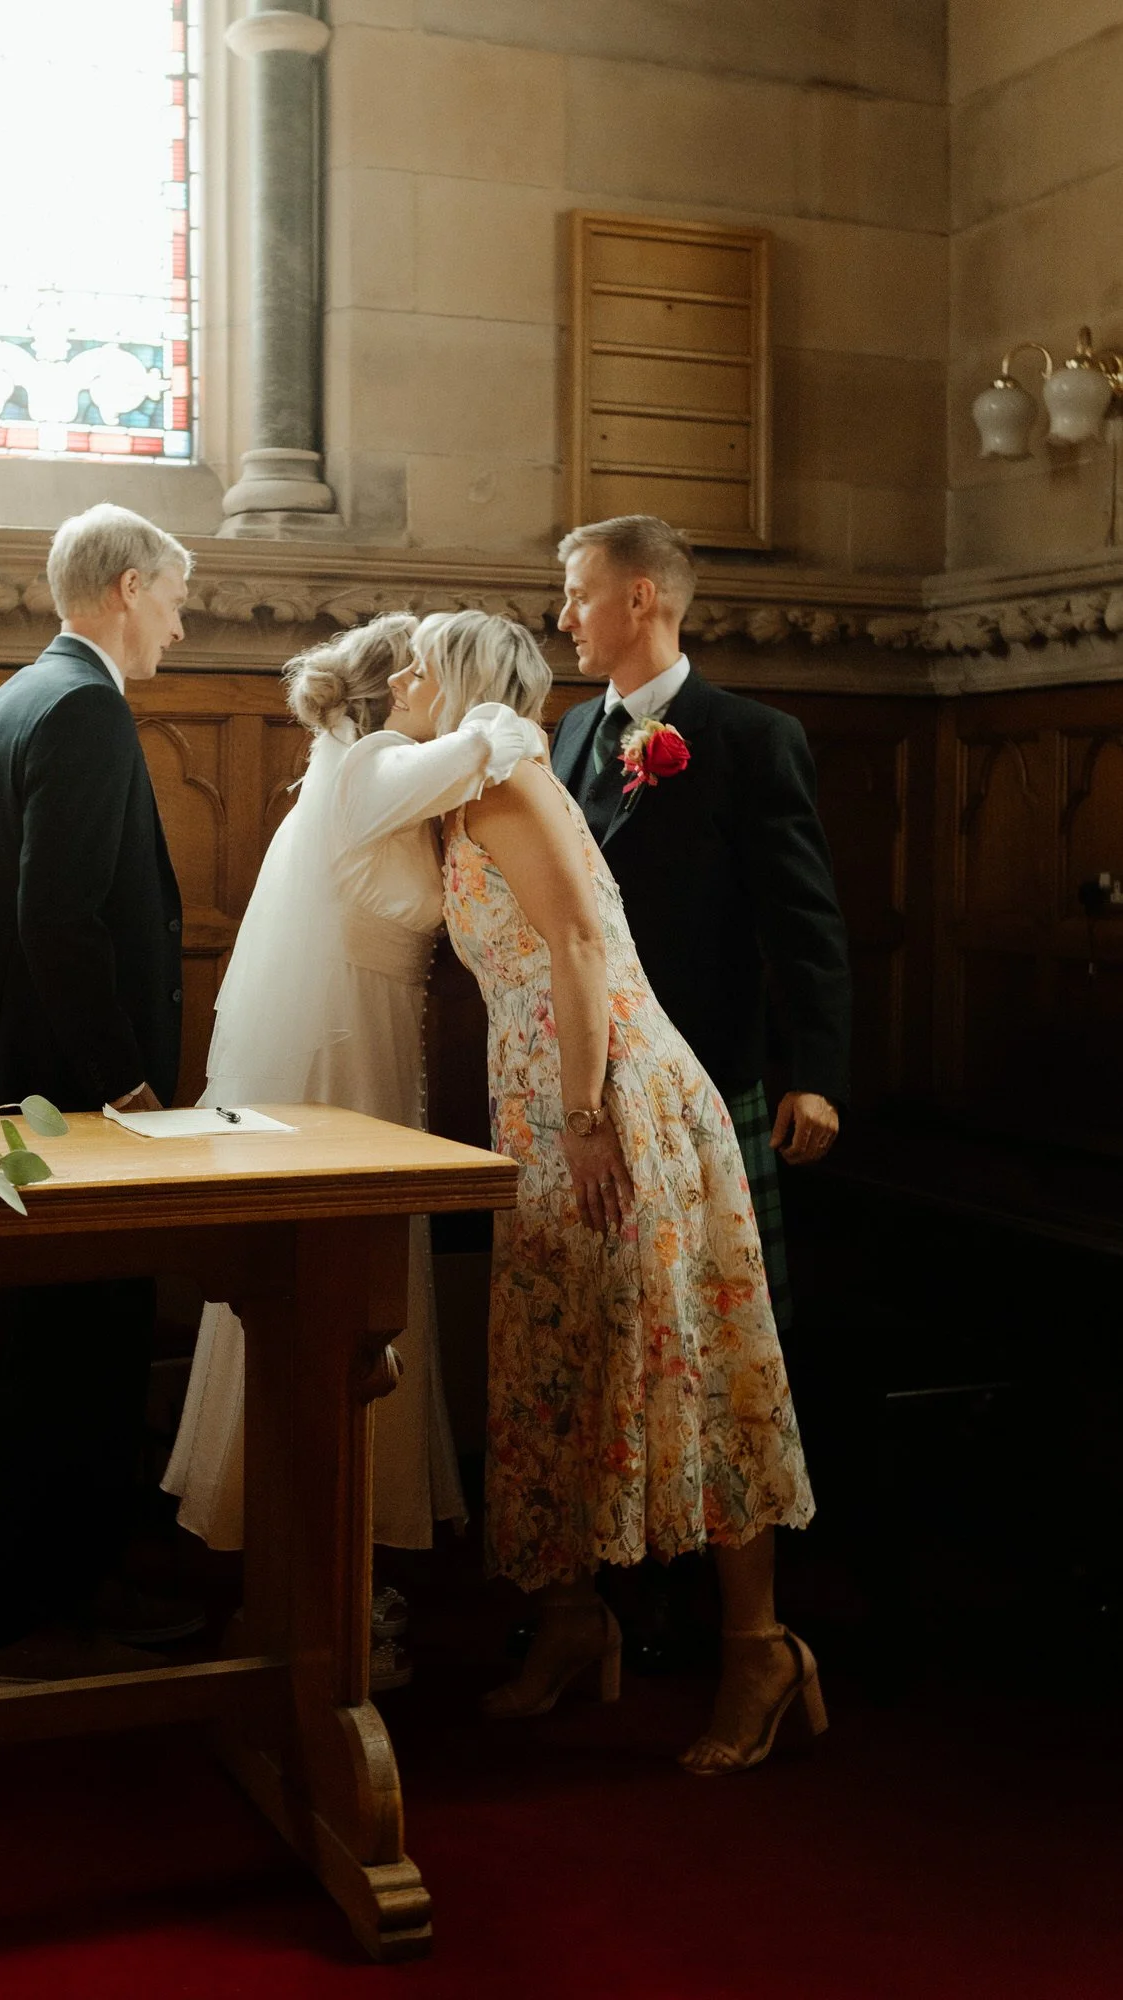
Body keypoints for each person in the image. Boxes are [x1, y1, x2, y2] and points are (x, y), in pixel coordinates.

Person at [402, 608, 822, 1774]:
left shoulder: (510, 785)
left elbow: (582, 947)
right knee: (557, 1356)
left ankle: (759, 1646)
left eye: (412, 662)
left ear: (457, 679)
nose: (396, 676)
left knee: (695, 1354)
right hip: (542, 1099)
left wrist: (586, 1120)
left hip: (614, 1096)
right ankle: (577, 1619)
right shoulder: (459, 788)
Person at [162, 614, 542, 1676]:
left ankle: (333, 1575)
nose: (426, 678)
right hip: (328, 1064)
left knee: (366, 1298)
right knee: (334, 1292)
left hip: (370, 1050)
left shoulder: (375, 767)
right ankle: (311, 1581)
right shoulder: (368, 763)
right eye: (413, 666)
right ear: (390, 691)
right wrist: (505, 714)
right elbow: (495, 742)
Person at [0, 502, 196, 1683]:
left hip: (0, 1092)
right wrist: (128, 1082)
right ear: (129, 586)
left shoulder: (7, 702)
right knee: (77, 1360)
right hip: (68, 1108)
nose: (179, 631)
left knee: (51, 1353)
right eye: (178, 602)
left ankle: (55, 1594)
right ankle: (49, 1619)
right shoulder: (85, 705)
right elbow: (57, 918)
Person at [551, 514, 852, 1331]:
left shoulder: (754, 738)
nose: (563, 618)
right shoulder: (571, 730)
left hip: (706, 1066)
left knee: (710, 1313)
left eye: (579, 597)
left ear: (639, 597)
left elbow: (801, 917)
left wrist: (815, 1071)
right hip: (588, 1064)